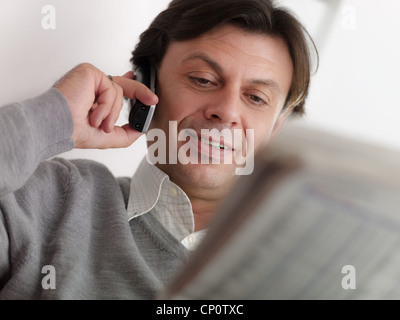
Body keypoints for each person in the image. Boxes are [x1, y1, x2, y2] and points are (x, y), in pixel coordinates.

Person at [0, 0, 316, 299]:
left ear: (277, 127)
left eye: (256, 98)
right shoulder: (49, 202)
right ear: (146, 85)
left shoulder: (304, 267)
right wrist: (55, 116)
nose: (227, 111)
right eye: (203, 79)